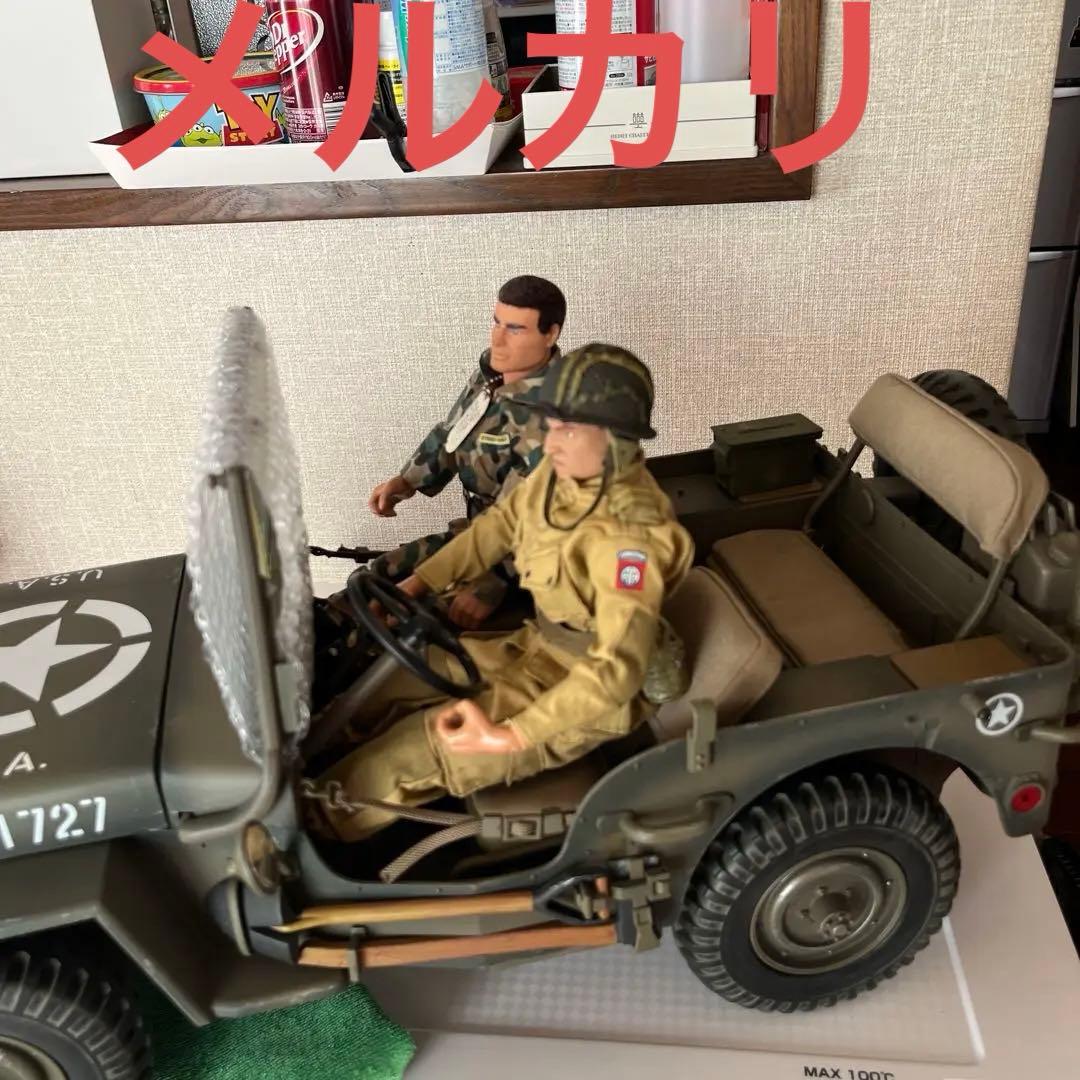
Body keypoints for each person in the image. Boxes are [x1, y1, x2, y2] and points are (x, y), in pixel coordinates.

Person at [312, 344, 695, 842]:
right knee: (381, 686)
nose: (551, 440)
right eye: (551, 423)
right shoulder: (562, 478)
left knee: (411, 755)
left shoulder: (631, 542)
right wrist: (416, 584)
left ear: (615, 439)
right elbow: (499, 526)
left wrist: (510, 736)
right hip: (537, 646)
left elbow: (615, 672)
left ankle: (302, 833)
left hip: (585, 693)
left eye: (568, 428)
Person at [365, 275, 567, 629]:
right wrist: (408, 480)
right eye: (497, 322)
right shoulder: (493, 374)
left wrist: (492, 582)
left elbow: (524, 517)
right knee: (375, 578)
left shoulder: (556, 415)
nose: (498, 339)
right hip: (475, 535)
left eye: (515, 328)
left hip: (522, 560)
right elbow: (455, 430)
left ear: (550, 334)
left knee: (411, 620)